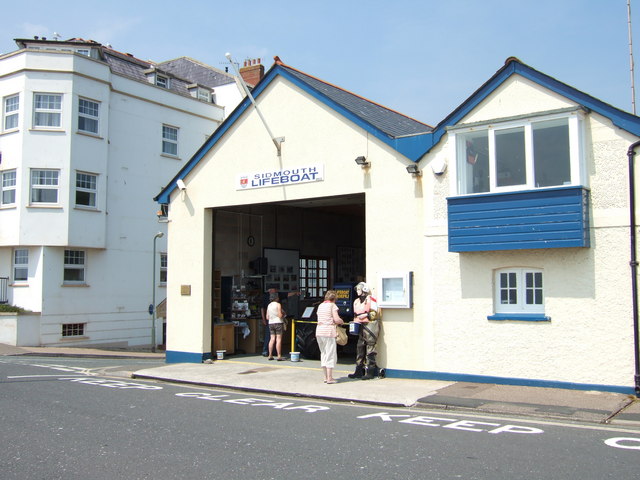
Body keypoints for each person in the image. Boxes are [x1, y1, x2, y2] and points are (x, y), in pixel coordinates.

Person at [348, 282, 380, 380]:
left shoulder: (371, 299)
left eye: (359, 289)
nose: (357, 291)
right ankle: (358, 370)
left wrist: (366, 315)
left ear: (364, 290)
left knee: (370, 347)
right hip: (360, 325)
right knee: (360, 347)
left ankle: (370, 371)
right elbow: (355, 314)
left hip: (370, 325)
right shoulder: (356, 301)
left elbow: (375, 313)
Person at [315, 290, 344, 384]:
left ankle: (325, 376)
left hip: (319, 331)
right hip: (328, 331)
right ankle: (330, 378)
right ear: (334, 299)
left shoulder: (320, 305)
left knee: (323, 353)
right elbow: (336, 319)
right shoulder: (332, 306)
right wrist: (341, 321)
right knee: (330, 354)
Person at [266, 292, 286, 361]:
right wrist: (283, 314)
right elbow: (280, 315)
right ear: (276, 298)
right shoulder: (278, 305)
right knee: (278, 339)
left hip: (271, 323)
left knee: (272, 339)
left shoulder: (269, 305)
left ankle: (270, 355)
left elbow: (267, 317)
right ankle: (279, 355)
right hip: (278, 322)